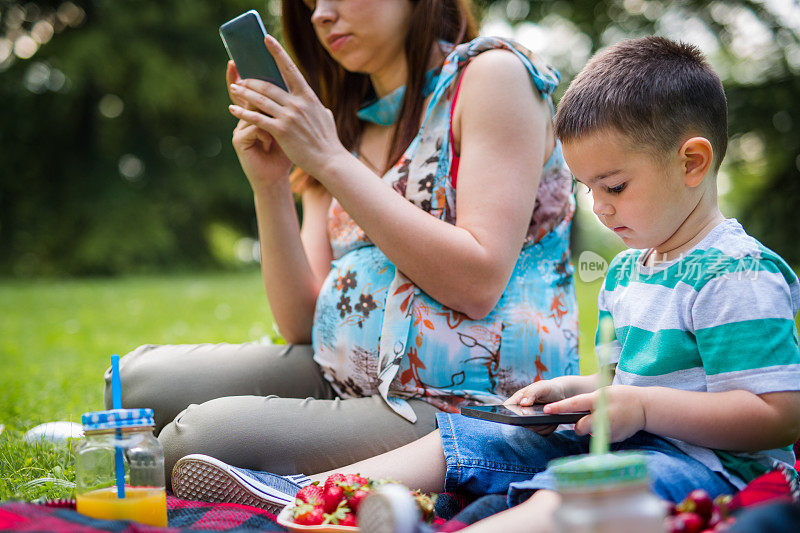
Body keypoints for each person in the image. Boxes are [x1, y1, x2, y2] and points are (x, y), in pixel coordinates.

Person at [169, 36, 800, 533]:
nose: (600, 210)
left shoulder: (736, 273)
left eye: (614, 187)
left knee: (588, 493)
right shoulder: (636, 266)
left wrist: (642, 408)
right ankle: (322, 497)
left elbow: (778, 416)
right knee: (473, 437)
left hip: (708, 472)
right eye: (588, 190)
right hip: (632, 437)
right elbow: (645, 383)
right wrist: (588, 393)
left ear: (692, 161)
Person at [105, 0, 579, 482]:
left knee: (197, 440)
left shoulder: (492, 77)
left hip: (464, 403)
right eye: (309, 3)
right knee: (133, 384)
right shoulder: (341, 127)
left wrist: (329, 159)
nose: (320, 14)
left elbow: (477, 282)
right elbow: (301, 325)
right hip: (344, 376)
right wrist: (269, 184)